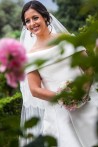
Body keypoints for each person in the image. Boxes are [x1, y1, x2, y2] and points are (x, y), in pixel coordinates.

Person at [19, 0, 98, 147]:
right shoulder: (30, 57)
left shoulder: (68, 41)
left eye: (35, 18)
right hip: (59, 114)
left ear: (46, 17)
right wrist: (63, 97)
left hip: (88, 103)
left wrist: (83, 91)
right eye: (27, 21)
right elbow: (35, 90)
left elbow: (88, 68)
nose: (32, 23)